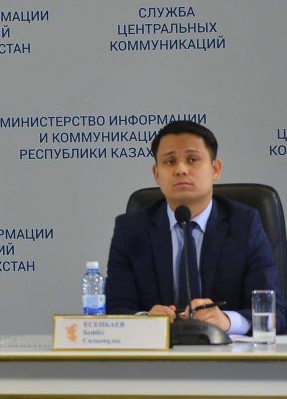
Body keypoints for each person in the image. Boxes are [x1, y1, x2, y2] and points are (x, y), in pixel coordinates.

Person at [105, 119, 286, 333]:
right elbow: (115, 310)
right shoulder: (130, 230)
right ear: (156, 174)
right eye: (170, 161)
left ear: (215, 169)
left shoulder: (245, 224)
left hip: (227, 352)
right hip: (158, 352)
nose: (181, 170)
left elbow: (275, 313)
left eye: (192, 159)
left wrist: (227, 321)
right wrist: (145, 320)